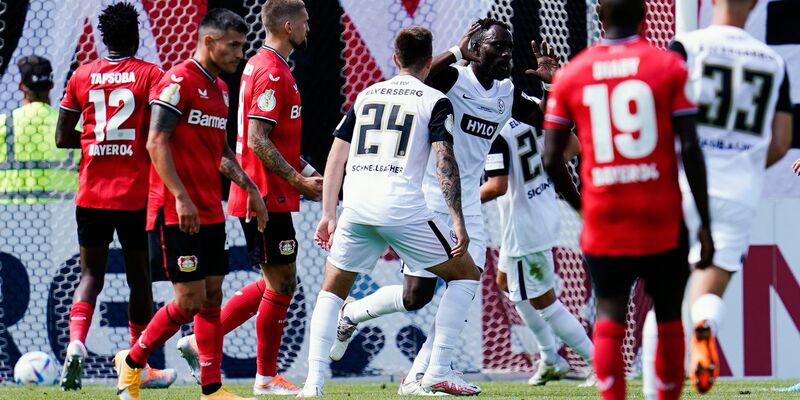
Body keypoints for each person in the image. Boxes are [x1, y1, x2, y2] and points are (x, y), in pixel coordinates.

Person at [328, 18, 561, 395]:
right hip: (430, 196)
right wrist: (456, 49)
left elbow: (548, 120)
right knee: (415, 296)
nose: (505, 54)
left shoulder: (505, 92)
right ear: (476, 48)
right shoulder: (452, 80)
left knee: (460, 287)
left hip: (469, 201)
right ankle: (353, 315)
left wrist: (555, 83)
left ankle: (423, 375)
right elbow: (416, 81)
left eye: (508, 47)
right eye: (496, 46)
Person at [542, 0, 714, 398]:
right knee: (669, 314)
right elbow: (691, 148)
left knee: (609, 313)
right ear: (644, 15)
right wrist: (704, 222)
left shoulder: (573, 74)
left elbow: (551, 157)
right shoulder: (669, 67)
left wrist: (581, 207)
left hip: (605, 218)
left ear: (599, 18)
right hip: (661, 215)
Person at [298, 26, 482, 397]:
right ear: (430, 61)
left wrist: (329, 212)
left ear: (395, 58)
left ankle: (312, 386)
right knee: (467, 276)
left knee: (330, 294)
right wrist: (458, 220)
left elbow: (337, 153)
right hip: (401, 206)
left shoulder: (367, 95)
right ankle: (437, 371)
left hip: (357, 204)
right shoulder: (433, 99)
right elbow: (444, 162)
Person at [639, 0, 793, 396]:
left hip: (683, 184)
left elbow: (653, 114)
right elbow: (780, 141)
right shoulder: (772, 62)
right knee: (706, 294)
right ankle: (706, 325)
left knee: (667, 302)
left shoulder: (687, 47)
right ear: (755, 4)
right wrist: (742, 164)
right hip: (736, 193)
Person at [113, 9, 267, 400]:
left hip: (210, 209)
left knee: (212, 296)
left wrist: (249, 187)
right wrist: (180, 197)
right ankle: (132, 363)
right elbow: (155, 142)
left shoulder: (221, 89)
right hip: (174, 208)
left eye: (243, 46)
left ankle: (211, 388)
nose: (239, 53)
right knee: (189, 300)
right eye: (233, 45)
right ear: (209, 42)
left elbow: (221, 151)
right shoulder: (178, 81)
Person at [174, 1, 320, 395]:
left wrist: (307, 173)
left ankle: (202, 340)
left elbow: (276, 141)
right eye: (305, 21)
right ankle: (265, 377)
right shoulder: (272, 71)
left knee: (279, 280)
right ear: (288, 26)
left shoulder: (264, 65)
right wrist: (297, 180)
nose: (310, 26)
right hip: (266, 194)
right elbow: (256, 139)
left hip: (269, 190)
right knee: (283, 282)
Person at [54, 2, 175, 391]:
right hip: (134, 197)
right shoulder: (151, 75)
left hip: (90, 193)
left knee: (91, 275)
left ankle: (76, 342)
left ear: (103, 37)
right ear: (136, 37)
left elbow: (61, 137)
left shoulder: (82, 75)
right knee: (140, 282)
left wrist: (92, 142)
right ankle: (137, 366)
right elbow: (161, 132)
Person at [482, 118, 593, 386]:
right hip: (541, 211)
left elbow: (497, 186)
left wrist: (457, 203)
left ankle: (599, 363)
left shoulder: (493, 126)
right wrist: (538, 172)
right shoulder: (532, 112)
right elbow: (574, 145)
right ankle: (550, 358)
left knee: (545, 302)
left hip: (525, 227)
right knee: (506, 283)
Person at [0, 55, 77, 202]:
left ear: (21, 86)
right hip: (63, 211)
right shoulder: (71, 126)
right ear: (51, 85)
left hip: (10, 212)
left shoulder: (4, 125)